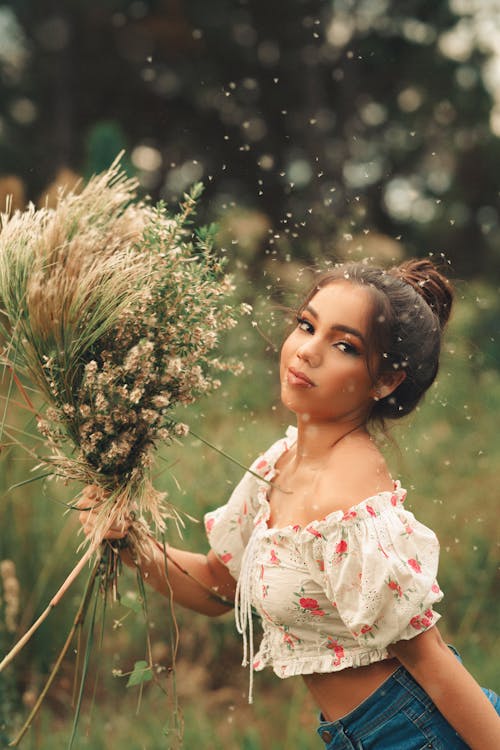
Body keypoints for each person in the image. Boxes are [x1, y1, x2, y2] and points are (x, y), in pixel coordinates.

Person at [80, 258, 500, 749]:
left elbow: (429, 658)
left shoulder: (349, 503)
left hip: (418, 732)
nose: (307, 351)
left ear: (385, 382)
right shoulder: (278, 465)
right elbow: (218, 585)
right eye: (307, 325)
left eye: (344, 345)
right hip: (358, 734)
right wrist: (129, 543)